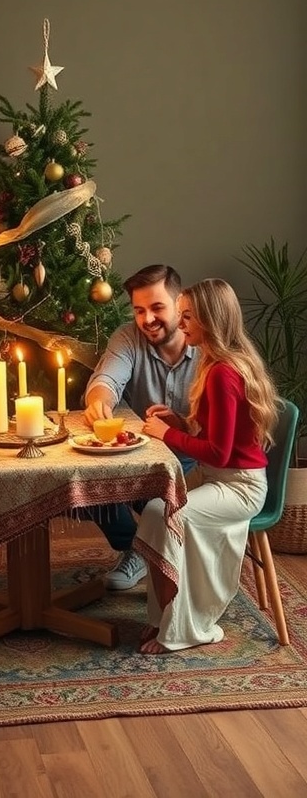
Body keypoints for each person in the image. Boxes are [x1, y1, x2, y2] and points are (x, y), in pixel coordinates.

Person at [136, 278, 278, 654]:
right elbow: (216, 437)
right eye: (181, 315)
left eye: (188, 317)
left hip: (239, 486)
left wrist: (165, 434)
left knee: (170, 518)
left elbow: (218, 452)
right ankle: (163, 616)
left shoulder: (223, 373)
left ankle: (182, 630)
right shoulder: (211, 363)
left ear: (211, 321)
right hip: (218, 475)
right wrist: (180, 422)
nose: (180, 325)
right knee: (153, 512)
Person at [83, 264, 198, 590]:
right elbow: (106, 379)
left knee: (155, 497)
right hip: (139, 452)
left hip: (192, 456)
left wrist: (186, 428)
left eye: (157, 307)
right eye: (139, 310)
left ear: (180, 304)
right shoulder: (127, 337)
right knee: (89, 483)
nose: (147, 319)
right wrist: (99, 400)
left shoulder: (207, 344)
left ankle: (158, 549)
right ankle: (136, 549)